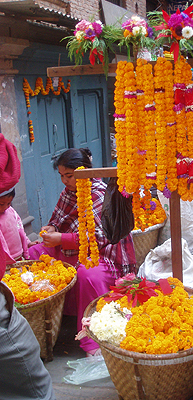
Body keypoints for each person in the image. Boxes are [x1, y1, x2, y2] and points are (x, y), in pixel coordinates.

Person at [29, 148, 136, 356]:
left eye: (69, 175)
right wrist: (51, 229)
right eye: (61, 175)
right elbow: (58, 220)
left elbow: (103, 237)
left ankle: (92, 340)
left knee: (87, 274)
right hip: (72, 249)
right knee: (35, 254)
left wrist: (62, 239)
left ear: (83, 171)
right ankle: (43, 326)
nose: (64, 181)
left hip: (104, 254)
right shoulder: (68, 192)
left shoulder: (99, 193)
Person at [0, 132, 55, 399]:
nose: (5, 206)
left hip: (20, 258)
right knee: (34, 385)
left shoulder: (9, 212)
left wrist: (28, 248)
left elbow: (21, 231)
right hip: (10, 268)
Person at [0, 188, 38, 265]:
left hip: (18, 256)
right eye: (1, 204)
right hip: (3, 262)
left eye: (9, 203)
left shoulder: (11, 211)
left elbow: (19, 230)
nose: (6, 207)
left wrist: (27, 243)